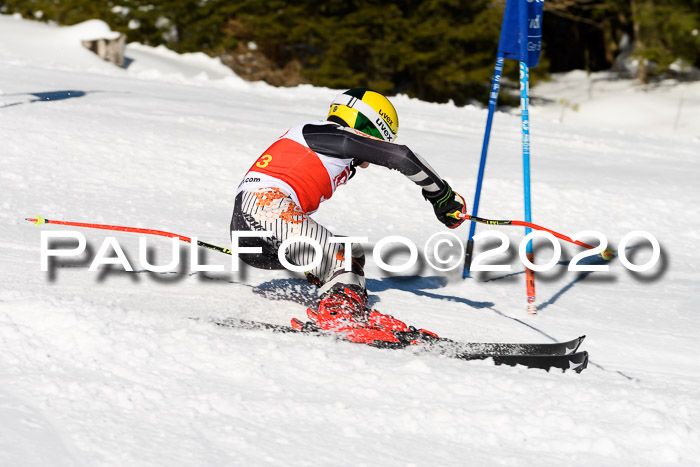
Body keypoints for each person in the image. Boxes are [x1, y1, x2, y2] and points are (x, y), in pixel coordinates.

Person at [231, 88, 468, 347]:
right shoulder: (327, 133)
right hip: (265, 208)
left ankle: (344, 302)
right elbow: (401, 156)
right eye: (379, 138)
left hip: (253, 226)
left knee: (350, 253)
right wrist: (441, 195)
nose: (370, 156)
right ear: (366, 126)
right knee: (340, 256)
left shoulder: (318, 139)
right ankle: (339, 315)